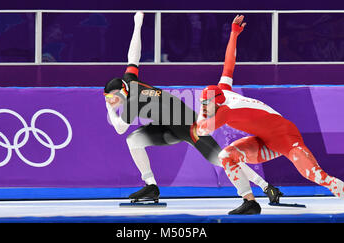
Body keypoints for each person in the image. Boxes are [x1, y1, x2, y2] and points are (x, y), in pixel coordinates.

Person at [195, 15, 344, 214]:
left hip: (287, 138)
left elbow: (200, 131)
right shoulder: (224, 90)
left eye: (206, 103)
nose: (203, 107)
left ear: (217, 103)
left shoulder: (225, 112)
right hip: (264, 140)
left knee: (317, 175)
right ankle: (250, 203)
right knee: (226, 156)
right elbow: (229, 63)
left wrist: (196, 118)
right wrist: (234, 34)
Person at [104, 12, 281, 204]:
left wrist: (110, 110)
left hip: (190, 127)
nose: (113, 102)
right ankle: (151, 186)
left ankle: (266, 187)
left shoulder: (133, 101)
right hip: (168, 128)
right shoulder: (129, 82)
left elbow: (120, 128)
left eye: (113, 98)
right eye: (109, 100)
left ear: (122, 91)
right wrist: (137, 24)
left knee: (221, 158)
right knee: (134, 141)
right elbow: (133, 55)